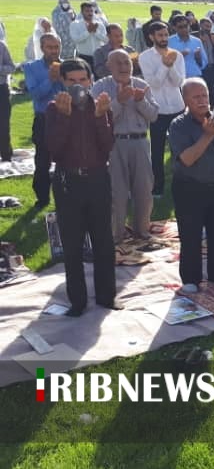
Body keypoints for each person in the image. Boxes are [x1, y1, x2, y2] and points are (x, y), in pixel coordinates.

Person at [46, 58, 120, 316]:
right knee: (73, 244)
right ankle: (77, 301)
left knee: (103, 241)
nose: (78, 85)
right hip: (69, 182)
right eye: (72, 81)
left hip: (97, 179)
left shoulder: (100, 106)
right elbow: (54, 150)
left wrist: (101, 118)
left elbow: (107, 146)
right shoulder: (54, 109)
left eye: (83, 80)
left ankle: (106, 296)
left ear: (90, 81)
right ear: (63, 82)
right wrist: (65, 117)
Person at [169, 78, 214, 294]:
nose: (202, 101)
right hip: (189, 187)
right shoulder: (179, 125)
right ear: (185, 100)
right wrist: (209, 134)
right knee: (190, 234)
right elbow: (187, 159)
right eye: (196, 97)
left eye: (204, 96)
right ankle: (191, 278)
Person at [93, 50, 158, 242]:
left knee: (144, 190)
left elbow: (153, 115)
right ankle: (116, 234)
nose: (123, 67)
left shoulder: (142, 85)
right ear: (109, 66)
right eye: (118, 63)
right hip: (114, 143)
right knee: (117, 192)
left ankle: (142, 230)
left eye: (127, 63)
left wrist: (140, 101)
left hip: (140, 142)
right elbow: (97, 118)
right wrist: (119, 101)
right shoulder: (100, 87)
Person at [140, 21, 186, 197]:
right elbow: (154, 83)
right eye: (160, 35)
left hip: (177, 106)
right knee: (157, 150)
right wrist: (164, 65)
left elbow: (179, 82)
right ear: (152, 37)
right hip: (157, 109)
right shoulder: (145, 57)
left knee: (179, 149)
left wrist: (171, 65)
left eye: (166, 35)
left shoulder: (177, 55)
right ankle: (157, 187)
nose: (164, 38)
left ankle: (181, 184)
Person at [25, 34, 66, 207]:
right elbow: (35, 94)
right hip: (44, 119)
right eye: (50, 47)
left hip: (65, 118)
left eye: (57, 47)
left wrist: (62, 79)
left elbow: (75, 90)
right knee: (42, 160)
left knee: (67, 158)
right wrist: (50, 79)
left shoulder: (68, 66)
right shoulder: (31, 67)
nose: (54, 51)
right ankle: (42, 197)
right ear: (42, 48)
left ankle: (66, 195)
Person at [69, 2, 108, 76]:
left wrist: (96, 32)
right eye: (87, 11)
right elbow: (76, 39)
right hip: (83, 57)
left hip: (98, 57)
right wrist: (88, 32)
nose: (90, 13)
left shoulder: (99, 24)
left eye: (91, 11)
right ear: (82, 12)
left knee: (99, 77)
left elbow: (106, 39)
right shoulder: (75, 24)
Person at [167, 14, 206, 82]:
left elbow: (204, 63)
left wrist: (198, 58)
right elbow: (165, 63)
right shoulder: (169, 42)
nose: (184, 29)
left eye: (186, 26)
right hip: (177, 79)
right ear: (174, 28)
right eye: (180, 27)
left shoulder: (197, 41)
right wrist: (179, 56)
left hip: (195, 76)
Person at [0, 38, 13, 162]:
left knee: (3, 124)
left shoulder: (1, 46)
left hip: (1, 89)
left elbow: (11, 67)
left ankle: (6, 154)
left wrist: (0, 69)